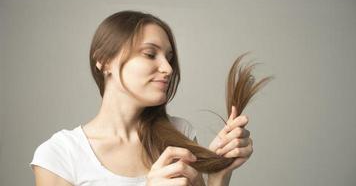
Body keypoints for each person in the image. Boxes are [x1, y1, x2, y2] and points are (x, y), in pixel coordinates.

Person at [30, 10, 253, 186]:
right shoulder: (61, 155)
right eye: (149, 54)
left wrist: (217, 177)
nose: (167, 68)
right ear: (104, 61)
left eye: (169, 58)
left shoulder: (180, 134)